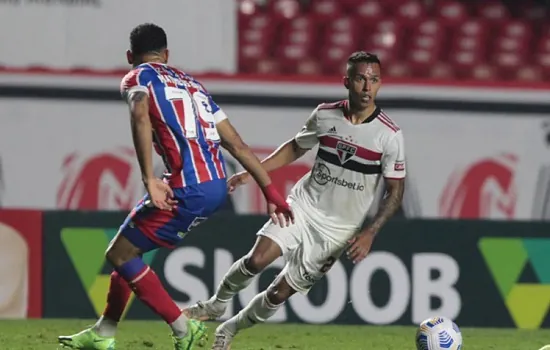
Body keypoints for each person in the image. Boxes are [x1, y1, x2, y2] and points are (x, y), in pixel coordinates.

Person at [58, 23, 293, 350]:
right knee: (133, 250)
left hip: (187, 186)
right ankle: (105, 332)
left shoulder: (138, 77)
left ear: (130, 56)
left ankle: (184, 329)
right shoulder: (196, 86)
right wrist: (270, 191)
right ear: (167, 55)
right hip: (214, 185)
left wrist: (148, 179)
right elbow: (237, 145)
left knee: (119, 253)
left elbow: (140, 116)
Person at [183, 51, 406, 349]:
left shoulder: (389, 136)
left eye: (374, 80)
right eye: (360, 79)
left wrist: (370, 231)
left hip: (339, 230)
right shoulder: (326, 115)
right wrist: (252, 173)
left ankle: (230, 328)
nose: (367, 88)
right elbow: (295, 148)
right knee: (257, 259)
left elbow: (395, 192)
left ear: (380, 84)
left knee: (278, 294)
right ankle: (215, 304)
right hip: (303, 205)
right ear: (347, 82)